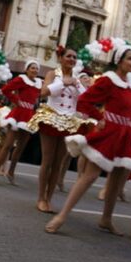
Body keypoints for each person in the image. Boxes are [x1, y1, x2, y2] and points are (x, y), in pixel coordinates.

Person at [45, 46, 131, 236]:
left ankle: (106, 219)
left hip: (125, 136)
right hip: (109, 133)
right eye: (129, 59)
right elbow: (84, 101)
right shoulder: (108, 80)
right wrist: (99, 117)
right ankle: (61, 216)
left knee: (118, 179)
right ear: (119, 61)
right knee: (90, 176)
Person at [26, 46, 91, 214]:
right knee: (47, 160)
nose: (72, 59)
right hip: (51, 117)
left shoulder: (76, 78)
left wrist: (78, 85)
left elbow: (86, 98)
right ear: (61, 58)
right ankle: (41, 198)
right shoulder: (52, 74)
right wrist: (63, 82)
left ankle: (49, 198)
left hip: (69, 121)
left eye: (74, 57)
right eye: (69, 56)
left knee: (58, 163)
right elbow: (43, 92)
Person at [0, 61, 42, 185]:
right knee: (8, 145)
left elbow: (37, 97)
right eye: (32, 68)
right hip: (18, 114)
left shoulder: (39, 83)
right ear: (27, 69)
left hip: (29, 115)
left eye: (37, 69)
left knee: (20, 148)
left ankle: (11, 172)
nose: (35, 70)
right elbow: (6, 90)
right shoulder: (21, 79)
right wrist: (16, 100)